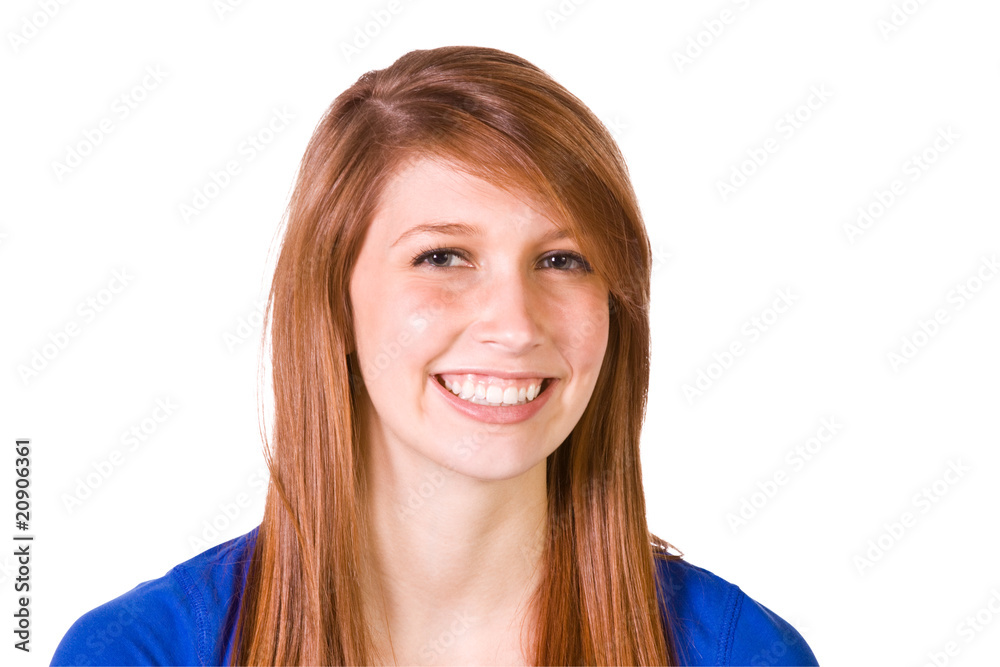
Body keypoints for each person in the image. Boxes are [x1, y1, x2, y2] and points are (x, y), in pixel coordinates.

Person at [51, 45, 818, 666]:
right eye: (444, 256)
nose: (514, 325)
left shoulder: (741, 653)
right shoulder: (138, 653)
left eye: (562, 260)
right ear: (335, 303)